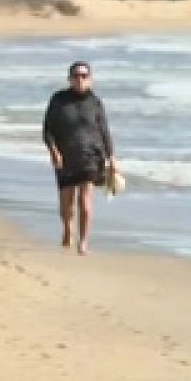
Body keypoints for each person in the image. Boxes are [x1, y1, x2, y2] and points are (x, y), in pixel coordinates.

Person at [42, 61, 117, 255]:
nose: (80, 79)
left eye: (84, 76)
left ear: (90, 80)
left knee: (85, 200)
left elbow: (104, 131)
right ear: (69, 79)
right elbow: (47, 129)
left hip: (91, 156)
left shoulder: (95, 102)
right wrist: (54, 151)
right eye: (76, 76)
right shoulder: (59, 100)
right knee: (66, 204)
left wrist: (112, 158)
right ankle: (67, 228)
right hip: (66, 156)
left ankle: (83, 242)